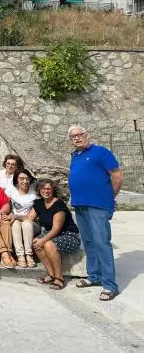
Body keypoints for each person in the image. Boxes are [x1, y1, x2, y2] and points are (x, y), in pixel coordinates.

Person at [68, 125, 122, 301]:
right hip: (80, 204)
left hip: (98, 205)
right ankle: (94, 276)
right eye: (73, 136)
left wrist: (109, 196)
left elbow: (117, 176)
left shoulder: (101, 152)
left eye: (79, 134)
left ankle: (109, 285)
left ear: (87, 135)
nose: (77, 138)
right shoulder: (75, 156)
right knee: (89, 242)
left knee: (101, 242)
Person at [28, 179, 82, 291]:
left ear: (53, 190)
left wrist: (43, 240)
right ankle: (51, 274)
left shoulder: (58, 204)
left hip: (69, 235)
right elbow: (29, 218)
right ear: (39, 189)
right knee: (35, 242)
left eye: (49, 188)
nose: (46, 191)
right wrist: (13, 217)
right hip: (51, 234)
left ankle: (59, 277)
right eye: (43, 188)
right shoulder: (38, 203)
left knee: (48, 244)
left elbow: (56, 229)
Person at [7, 169, 40, 268]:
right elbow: (6, 208)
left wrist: (16, 216)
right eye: (21, 178)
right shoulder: (10, 191)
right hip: (15, 223)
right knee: (16, 223)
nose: (25, 181)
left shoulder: (35, 194)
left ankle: (29, 255)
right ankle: (20, 255)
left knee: (26, 223)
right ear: (16, 180)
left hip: (32, 224)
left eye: (27, 178)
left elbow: (31, 217)